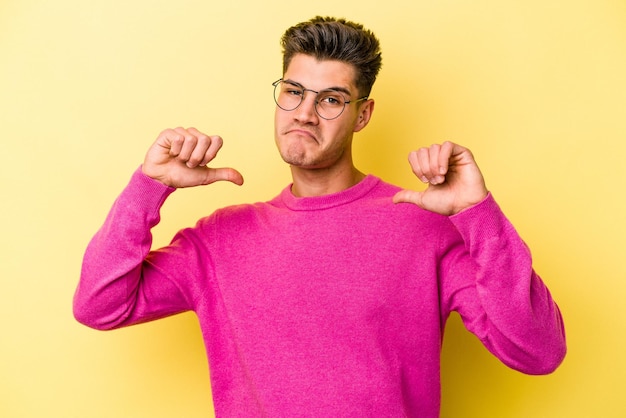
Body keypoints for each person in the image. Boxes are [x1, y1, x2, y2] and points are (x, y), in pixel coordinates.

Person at [74, 16, 566, 417]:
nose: (304, 113)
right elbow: (99, 306)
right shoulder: (221, 238)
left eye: (330, 100)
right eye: (293, 92)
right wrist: (149, 186)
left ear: (363, 114)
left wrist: (478, 213)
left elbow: (539, 351)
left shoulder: (423, 228)